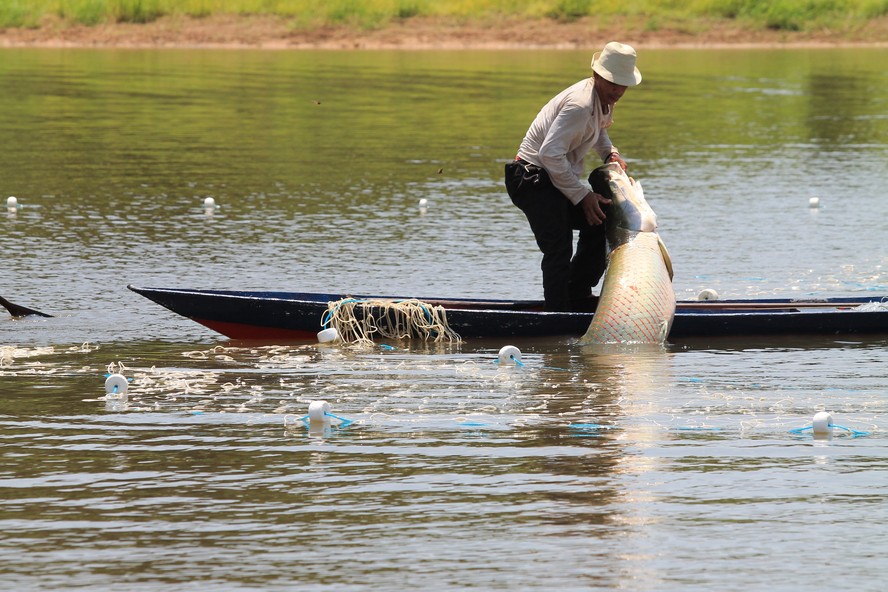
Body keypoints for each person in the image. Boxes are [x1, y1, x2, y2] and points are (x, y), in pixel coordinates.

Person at [504, 41, 642, 312]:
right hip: (532, 179)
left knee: (601, 221)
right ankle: (557, 314)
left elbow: (599, 130)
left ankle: (577, 294)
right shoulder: (579, 105)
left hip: (553, 178)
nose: (618, 90)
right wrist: (582, 196)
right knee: (558, 248)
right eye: (613, 83)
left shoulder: (603, 100)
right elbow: (550, 155)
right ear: (598, 76)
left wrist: (609, 154)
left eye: (623, 84)